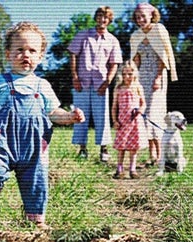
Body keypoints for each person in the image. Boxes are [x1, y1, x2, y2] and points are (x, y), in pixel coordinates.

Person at [0, 21, 85, 228]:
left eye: (32, 50)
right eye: (19, 50)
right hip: (1, 143)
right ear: (8, 54)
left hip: (34, 149)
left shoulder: (43, 85)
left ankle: (35, 221)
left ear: (40, 56)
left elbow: (54, 113)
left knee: (36, 184)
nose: (26, 55)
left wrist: (70, 117)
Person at [67, 6, 123, 161]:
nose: (102, 19)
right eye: (99, 16)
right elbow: (73, 55)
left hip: (100, 84)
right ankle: (82, 149)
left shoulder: (113, 40)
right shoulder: (83, 35)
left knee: (102, 116)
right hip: (81, 82)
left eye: (105, 17)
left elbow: (114, 64)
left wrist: (108, 82)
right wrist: (75, 77)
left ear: (109, 20)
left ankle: (104, 150)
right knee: (80, 115)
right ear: (95, 18)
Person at [130, 3, 178, 166]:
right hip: (142, 77)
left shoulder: (159, 29)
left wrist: (158, 77)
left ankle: (160, 155)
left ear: (152, 15)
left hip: (157, 76)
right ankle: (152, 156)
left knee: (153, 113)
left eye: (143, 16)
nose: (140, 19)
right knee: (143, 115)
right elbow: (135, 59)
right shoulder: (135, 35)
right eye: (137, 17)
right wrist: (132, 80)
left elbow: (164, 56)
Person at [111, 60, 147, 179]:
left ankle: (132, 169)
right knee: (121, 146)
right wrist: (115, 121)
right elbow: (114, 106)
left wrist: (140, 110)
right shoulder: (118, 88)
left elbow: (143, 103)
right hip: (122, 121)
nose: (127, 76)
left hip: (135, 121)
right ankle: (119, 169)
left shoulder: (137, 87)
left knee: (133, 147)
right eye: (125, 73)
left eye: (130, 74)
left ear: (135, 74)